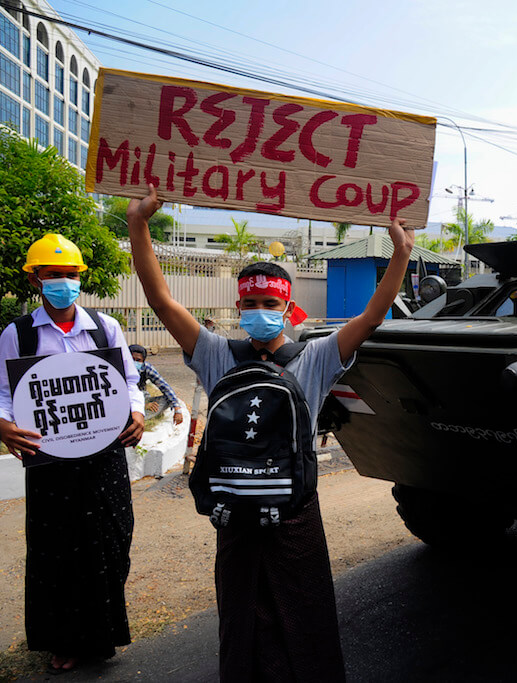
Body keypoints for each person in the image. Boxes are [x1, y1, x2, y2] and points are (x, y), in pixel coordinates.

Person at [126, 184, 414, 682]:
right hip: (235, 512)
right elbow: (162, 300)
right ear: (239, 305)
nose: (258, 309)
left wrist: (401, 253)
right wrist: (138, 225)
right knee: (241, 618)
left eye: (268, 301)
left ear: (286, 306)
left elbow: (371, 316)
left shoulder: (317, 355)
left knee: (305, 617)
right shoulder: (216, 352)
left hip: (294, 515)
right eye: (250, 301)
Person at [0, 234, 145, 673]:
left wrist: (136, 413)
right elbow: (5, 395)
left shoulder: (105, 328)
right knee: (56, 549)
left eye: (70, 275)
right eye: (53, 275)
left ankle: (102, 637)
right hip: (50, 461)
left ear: (80, 278)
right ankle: (61, 641)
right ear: (36, 279)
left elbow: (129, 382)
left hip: (105, 457)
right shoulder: (18, 334)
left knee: (111, 541)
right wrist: (3, 424)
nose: (63, 281)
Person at [129, 344, 184, 425]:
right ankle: (136, 419)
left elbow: (164, 386)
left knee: (167, 399)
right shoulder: (120, 369)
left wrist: (177, 409)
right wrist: (143, 405)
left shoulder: (146, 368)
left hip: (142, 397)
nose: (134, 362)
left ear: (143, 361)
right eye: (132, 359)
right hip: (126, 402)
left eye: (138, 360)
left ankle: (139, 418)